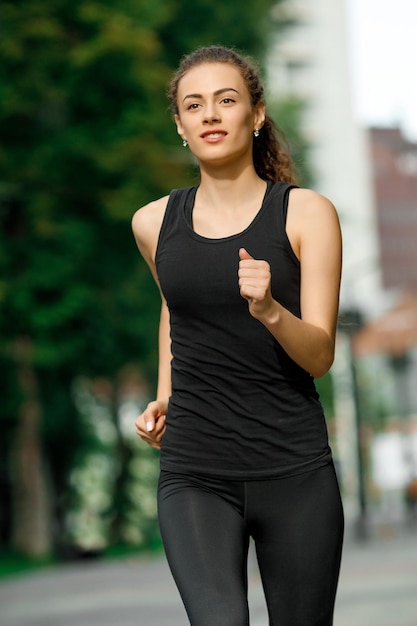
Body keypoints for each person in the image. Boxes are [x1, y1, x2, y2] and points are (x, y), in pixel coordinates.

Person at [132, 45, 344, 626]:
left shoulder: (306, 214)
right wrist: (166, 393)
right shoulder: (153, 223)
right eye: (193, 105)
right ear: (180, 125)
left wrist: (271, 308)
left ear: (256, 114)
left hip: (294, 469)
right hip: (195, 469)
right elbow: (175, 308)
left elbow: (321, 354)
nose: (210, 115)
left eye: (227, 100)